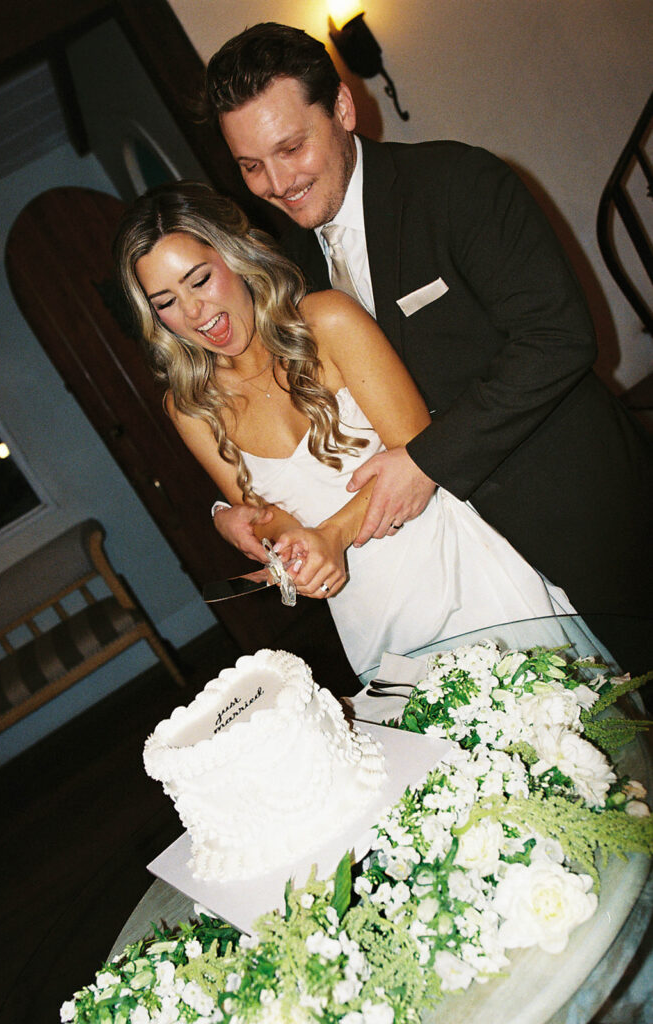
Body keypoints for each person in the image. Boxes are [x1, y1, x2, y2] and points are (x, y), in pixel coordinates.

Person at [203, 23, 653, 670]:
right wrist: (228, 509)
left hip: (581, 525)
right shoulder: (289, 273)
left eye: (291, 147)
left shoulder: (457, 181)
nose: (276, 182)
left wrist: (427, 461)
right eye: (251, 166)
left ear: (344, 110)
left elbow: (558, 339)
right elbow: (266, 398)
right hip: (461, 586)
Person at [114, 181, 573, 675]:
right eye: (166, 301)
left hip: (461, 576)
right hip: (369, 621)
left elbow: (424, 452)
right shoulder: (190, 407)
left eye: (200, 280)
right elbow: (266, 513)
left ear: (235, 257)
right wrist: (291, 548)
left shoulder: (327, 320)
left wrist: (331, 535)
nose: (193, 313)